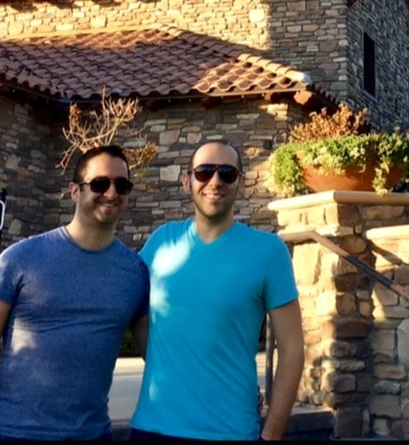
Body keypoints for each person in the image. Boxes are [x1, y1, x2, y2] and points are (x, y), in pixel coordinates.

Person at [0, 144, 150, 441]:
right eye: (100, 183)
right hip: (12, 434)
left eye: (121, 185)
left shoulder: (135, 273)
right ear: (75, 191)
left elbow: (157, 355)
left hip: (92, 434)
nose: (111, 193)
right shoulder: (20, 258)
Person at [129, 139, 304, 441]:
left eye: (227, 173)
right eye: (204, 172)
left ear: (241, 183)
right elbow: (133, 314)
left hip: (232, 431)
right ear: (187, 182)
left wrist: (271, 435)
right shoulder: (160, 243)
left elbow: (292, 349)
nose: (215, 182)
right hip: (152, 428)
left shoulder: (268, 251)